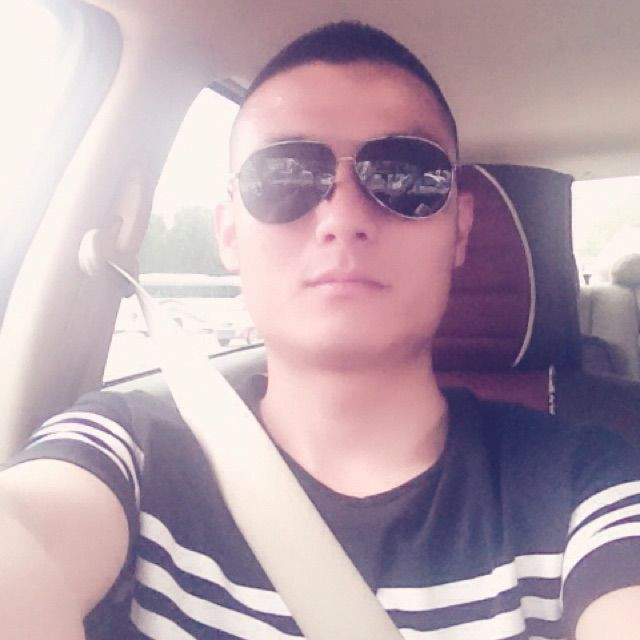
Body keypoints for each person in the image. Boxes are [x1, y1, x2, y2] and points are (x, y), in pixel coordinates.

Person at [1, 20, 640, 640]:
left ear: (460, 231)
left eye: (404, 175)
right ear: (230, 232)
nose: (342, 218)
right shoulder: (127, 452)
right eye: (283, 175)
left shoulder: (588, 480)